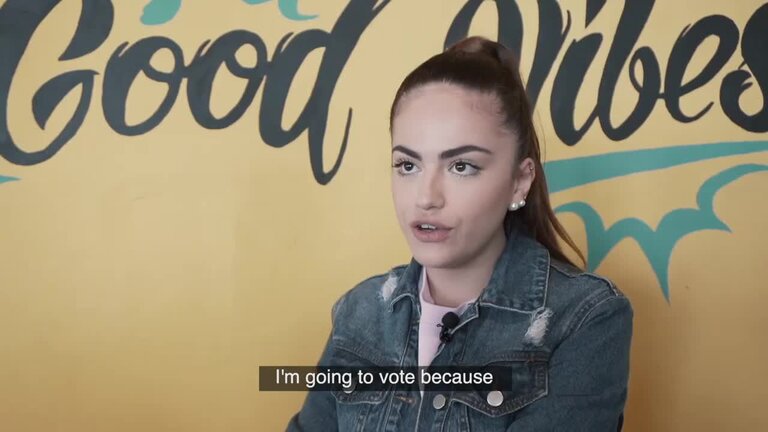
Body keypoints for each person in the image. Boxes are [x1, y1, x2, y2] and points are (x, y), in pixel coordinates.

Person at [287, 36, 633, 431]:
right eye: (407, 165)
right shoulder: (360, 311)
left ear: (519, 181)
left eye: (462, 166)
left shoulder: (585, 318)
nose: (426, 197)